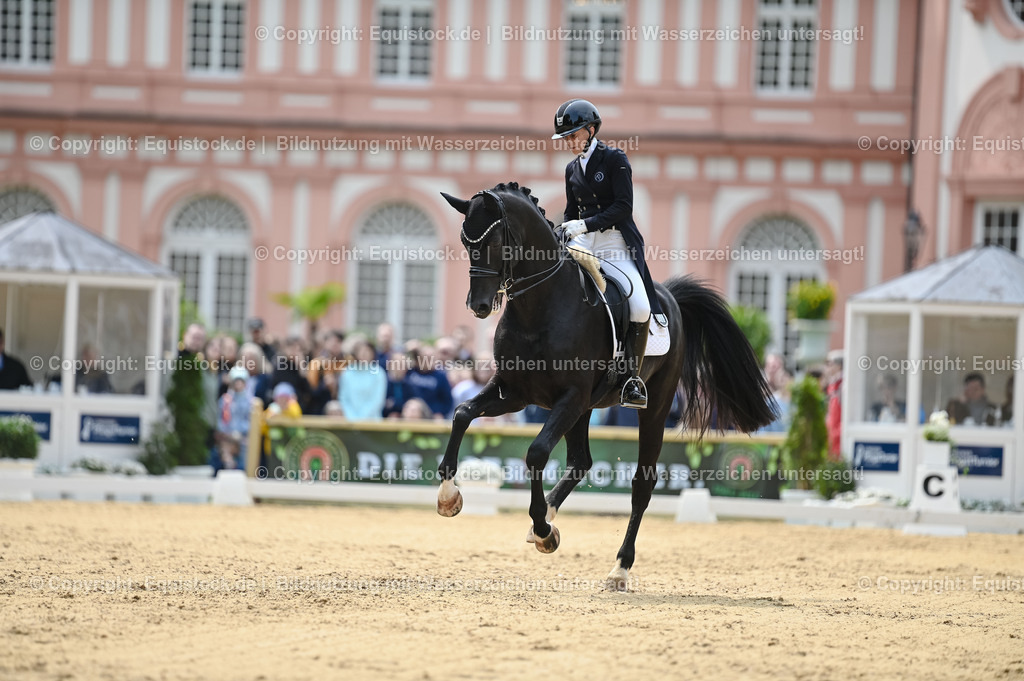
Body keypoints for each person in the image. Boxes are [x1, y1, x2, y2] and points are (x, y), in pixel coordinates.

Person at [552, 98, 664, 409]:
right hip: (585, 244)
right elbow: (571, 211)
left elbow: (622, 207)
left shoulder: (615, 159)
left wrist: (583, 225)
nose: (569, 142)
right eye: (566, 137)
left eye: (573, 135)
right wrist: (563, 229)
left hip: (614, 244)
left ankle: (631, 379)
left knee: (640, 307)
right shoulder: (571, 169)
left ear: (590, 130)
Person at [338, 340, 387, 421]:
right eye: (361, 351)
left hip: (372, 421)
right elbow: (343, 398)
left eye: (367, 351)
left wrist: (362, 418)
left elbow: (377, 399)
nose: (364, 354)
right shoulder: (347, 373)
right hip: (350, 422)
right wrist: (352, 417)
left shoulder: (378, 373)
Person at [215, 366, 251, 472]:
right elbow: (221, 419)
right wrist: (226, 432)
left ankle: (244, 470)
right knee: (224, 451)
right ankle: (228, 467)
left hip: (243, 437)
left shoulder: (250, 402)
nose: (238, 384)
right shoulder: (225, 400)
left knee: (246, 451)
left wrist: (241, 432)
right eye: (236, 381)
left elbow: (250, 421)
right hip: (228, 436)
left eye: (241, 381)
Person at [400, 346, 453, 419]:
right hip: (410, 413)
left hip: (432, 415)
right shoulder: (410, 372)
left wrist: (440, 413)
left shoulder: (440, 376)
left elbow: (447, 401)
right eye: (425, 358)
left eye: (431, 358)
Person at [823, 350, 843, 459]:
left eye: (829, 364)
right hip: (831, 438)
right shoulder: (833, 385)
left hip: (839, 440)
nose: (827, 368)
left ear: (839, 366)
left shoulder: (842, 386)